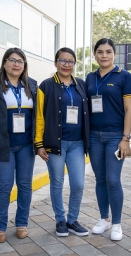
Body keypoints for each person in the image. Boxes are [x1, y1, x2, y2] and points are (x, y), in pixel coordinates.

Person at [0, 48, 38, 243]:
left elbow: (40, 116)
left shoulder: (32, 86)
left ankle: (21, 223)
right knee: (4, 185)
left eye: (20, 61)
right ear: (4, 63)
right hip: (2, 146)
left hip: (26, 146)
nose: (16, 64)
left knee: (25, 186)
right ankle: (0, 226)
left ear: (24, 65)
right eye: (12, 60)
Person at [35, 47, 90, 237]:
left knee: (78, 184)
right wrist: (39, 144)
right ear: (56, 62)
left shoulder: (81, 85)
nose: (66, 64)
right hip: (55, 144)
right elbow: (39, 116)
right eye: (62, 60)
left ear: (75, 64)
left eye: (70, 61)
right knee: (57, 183)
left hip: (77, 144)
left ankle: (72, 219)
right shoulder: (46, 85)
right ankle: (60, 220)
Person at [86, 38, 131, 241]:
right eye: (100, 52)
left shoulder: (124, 76)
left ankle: (117, 223)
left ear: (114, 54)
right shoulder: (90, 77)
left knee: (113, 179)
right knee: (99, 179)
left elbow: (129, 109)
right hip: (94, 136)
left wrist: (126, 138)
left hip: (116, 135)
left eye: (108, 52)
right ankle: (103, 219)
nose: (104, 55)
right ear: (95, 54)